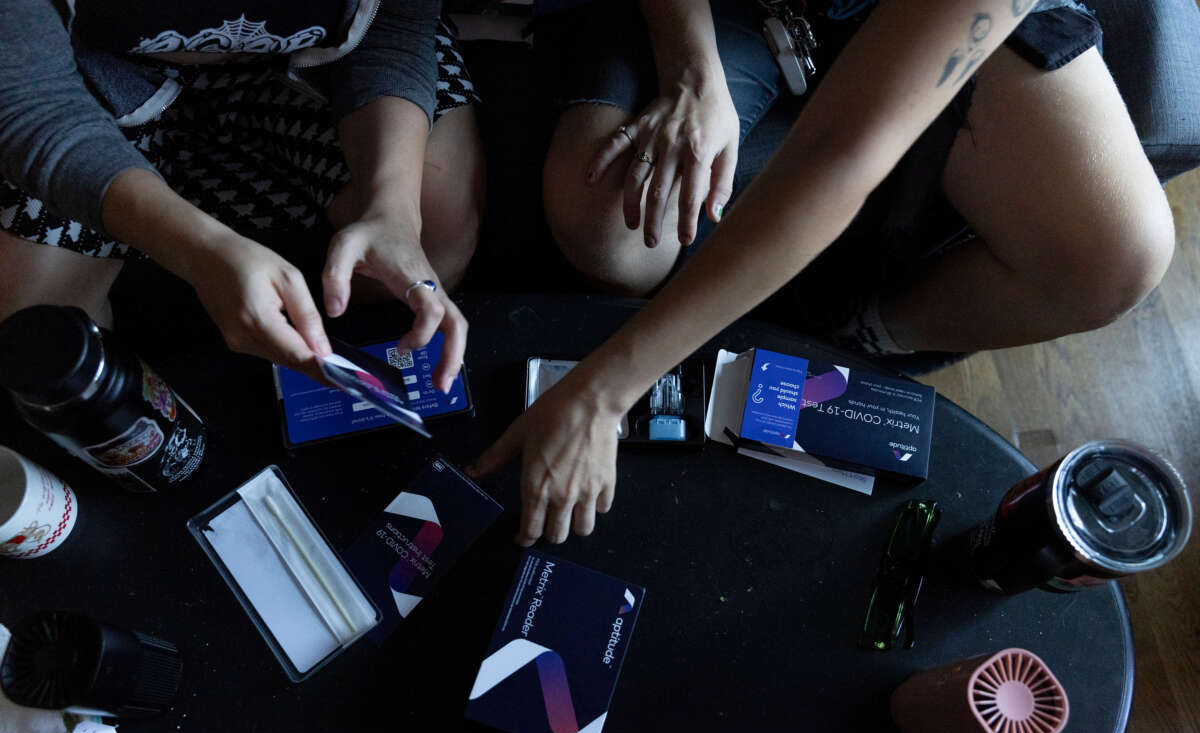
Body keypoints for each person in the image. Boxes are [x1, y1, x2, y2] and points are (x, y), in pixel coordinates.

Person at [470, 0, 1175, 544]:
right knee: (615, 235)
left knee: (1121, 253)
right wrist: (692, 73)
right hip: (732, 12)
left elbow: (836, 157)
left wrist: (605, 390)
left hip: (942, 31)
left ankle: (856, 332)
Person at [0, 0, 483, 391]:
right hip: (82, 78)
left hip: (318, 59)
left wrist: (393, 212)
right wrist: (198, 249)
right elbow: (34, 102)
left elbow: (393, 28)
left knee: (433, 215)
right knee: (37, 323)